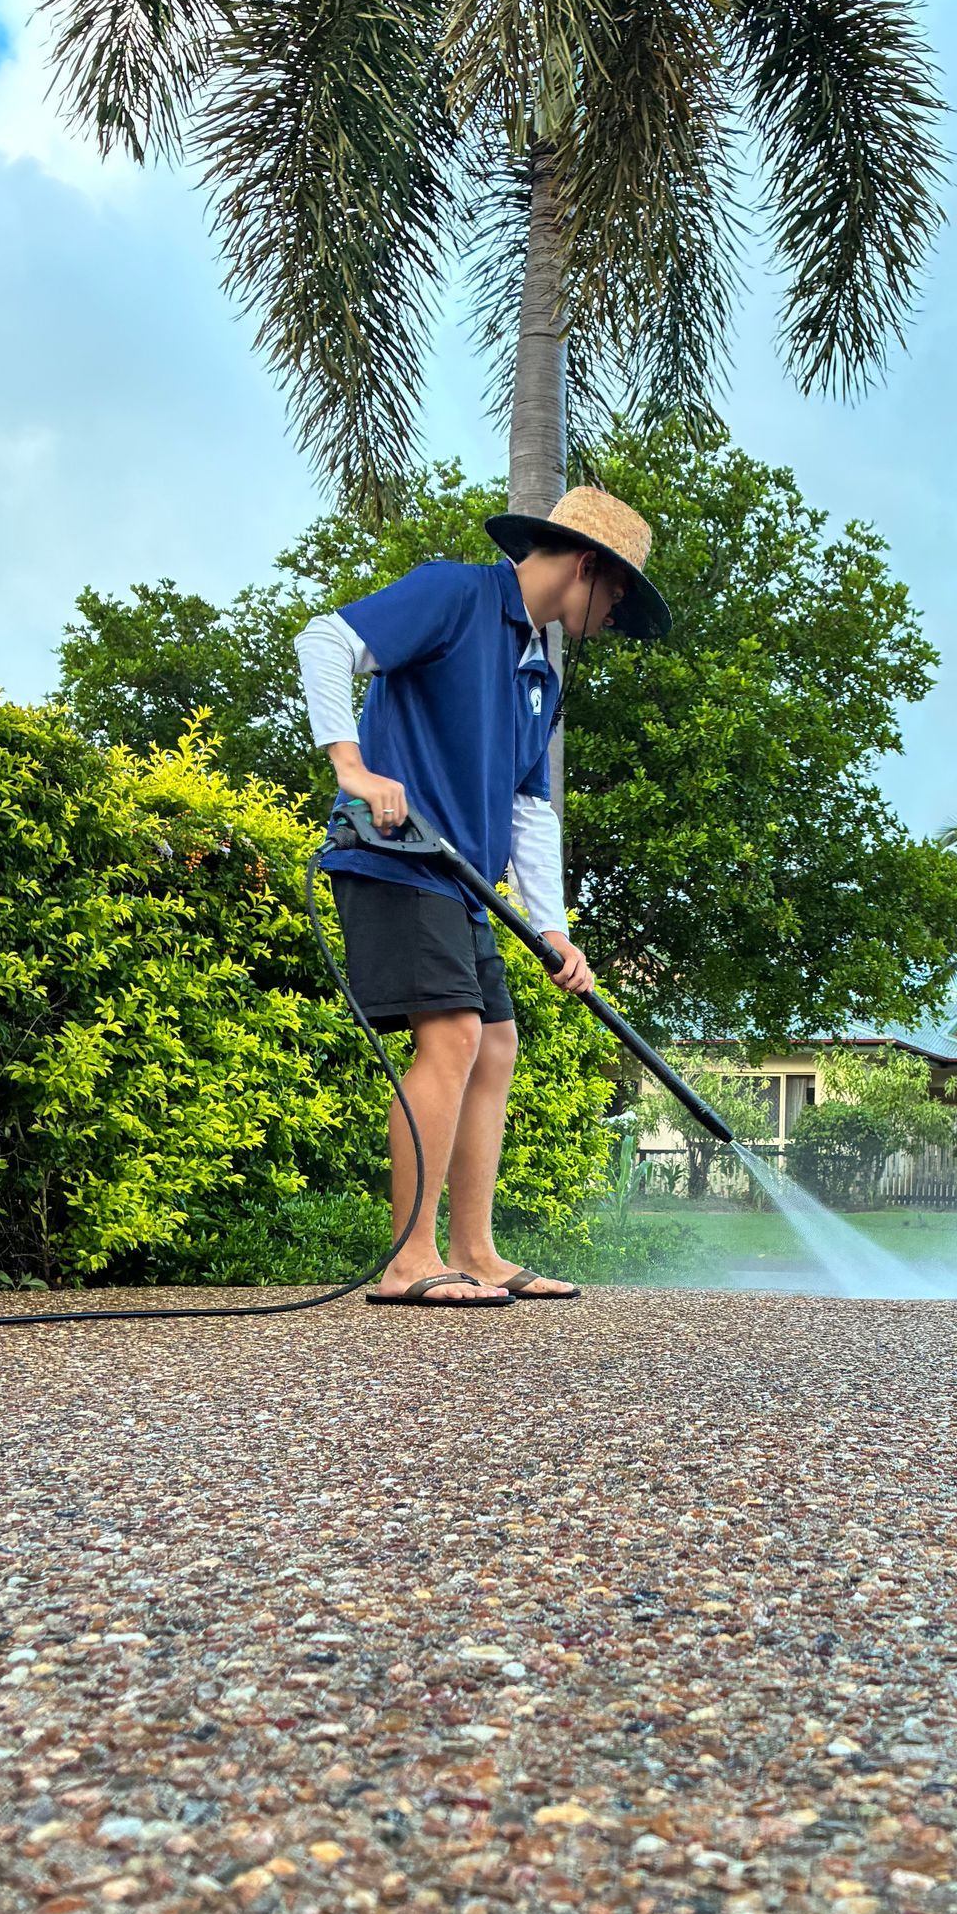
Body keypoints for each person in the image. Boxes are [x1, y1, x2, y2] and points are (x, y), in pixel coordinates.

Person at [299, 487, 672, 1306]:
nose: (612, 619)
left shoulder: (539, 674)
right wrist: (351, 767)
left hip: (462, 883)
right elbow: (325, 640)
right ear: (586, 566)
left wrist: (553, 929)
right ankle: (410, 1259)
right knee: (454, 1036)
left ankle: (474, 1249)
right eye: (616, 598)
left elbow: (528, 809)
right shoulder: (454, 595)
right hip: (394, 859)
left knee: (496, 1042)